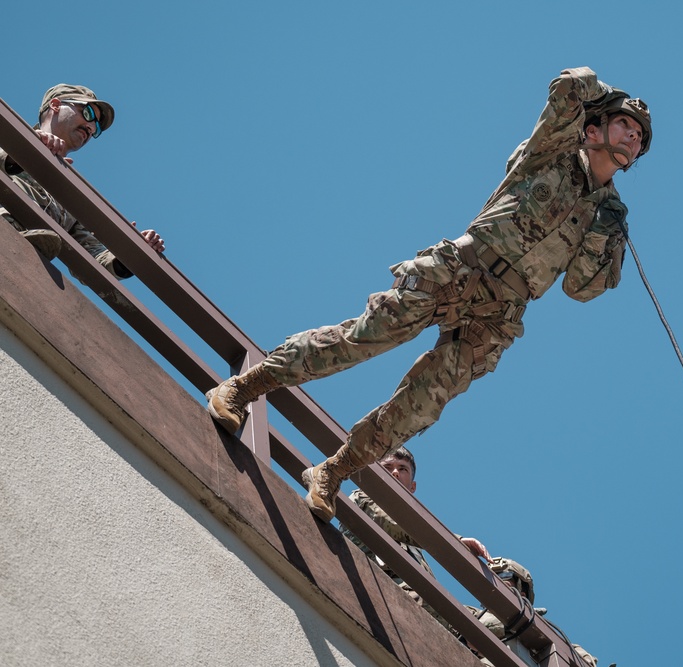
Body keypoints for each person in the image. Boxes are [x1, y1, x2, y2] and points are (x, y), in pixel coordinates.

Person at [206, 66, 652, 521]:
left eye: (639, 137)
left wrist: (602, 234)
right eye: (625, 125)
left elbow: (581, 287)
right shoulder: (553, 151)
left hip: (498, 313)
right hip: (460, 269)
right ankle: (242, 389)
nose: (632, 138)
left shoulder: (610, 216)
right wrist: (606, 93)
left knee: (421, 406)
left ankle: (332, 473)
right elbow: (567, 85)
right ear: (594, 127)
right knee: (364, 338)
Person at [1, 83, 165, 275]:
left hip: (24, 266)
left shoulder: (70, 192)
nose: (90, 126)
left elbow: (94, 257)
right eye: (87, 113)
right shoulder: (8, 136)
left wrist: (131, 253)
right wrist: (25, 149)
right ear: (55, 105)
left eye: (96, 126)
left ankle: (26, 246)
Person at [340, 445, 490, 628]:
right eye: (387, 467)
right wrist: (456, 542)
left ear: (413, 487)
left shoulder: (414, 542)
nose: (395, 472)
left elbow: (430, 594)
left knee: (486, 623)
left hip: (417, 615)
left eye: (402, 469)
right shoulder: (362, 498)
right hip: (374, 596)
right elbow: (393, 525)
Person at [466, 557, 603, 667]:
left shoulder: (539, 633)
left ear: (522, 594)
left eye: (504, 583)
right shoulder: (471, 614)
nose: (496, 589)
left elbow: (574, 654)